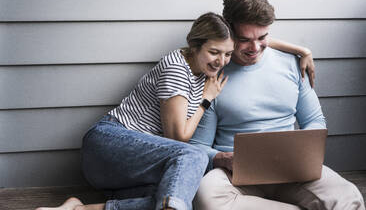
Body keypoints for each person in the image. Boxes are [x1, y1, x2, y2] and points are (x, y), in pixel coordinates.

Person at [36, 11, 315, 210]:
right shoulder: (177, 68)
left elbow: (250, 42)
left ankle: (78, 209)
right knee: (192, 156)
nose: (221, 61)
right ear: (195, 46)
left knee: (185, 191)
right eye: (214, 52)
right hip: (108, 145)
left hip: (136, 165)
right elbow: (178, 139)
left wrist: (300, 49)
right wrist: (206, 100)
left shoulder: (202, 66)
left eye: (227, 54)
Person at [190, 0, 365, 210]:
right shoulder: (214, 74)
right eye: (244, 40)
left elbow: (314, 121)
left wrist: (302, 151)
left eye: (262, 38)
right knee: (206, 197)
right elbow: (198, 146)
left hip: (293, 170)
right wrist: (223, 158)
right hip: (234, 175)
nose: (255, 48)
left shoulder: (293, 64)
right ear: (229, 32)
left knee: (348, 196)